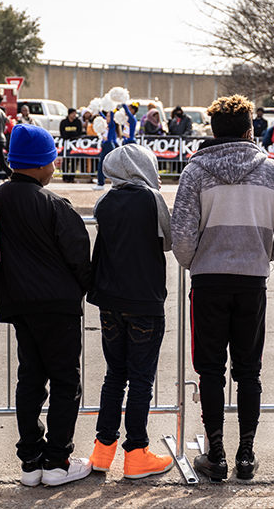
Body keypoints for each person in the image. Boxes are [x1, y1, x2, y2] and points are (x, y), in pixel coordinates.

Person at [171, 94, 274, 482]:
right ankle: (246, 454)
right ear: (251, 129)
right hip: (252, 280)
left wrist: (196, 260)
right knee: (249, 370)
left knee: (210, 369)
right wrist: (264, 253)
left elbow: (181, 235)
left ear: (214, 130)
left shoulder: (195, 172)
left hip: (208, 280)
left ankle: (216, 454)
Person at [0, 124, 92, 487]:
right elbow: (79, 256)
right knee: (65, 381)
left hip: (18, 304)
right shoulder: (53, 205)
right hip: (58, 305)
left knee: (30, 379)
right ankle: (57, 461)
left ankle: (30, 461)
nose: (54, 165)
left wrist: (2, 289)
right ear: (39, 163)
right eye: (51, 159)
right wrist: (82, 288)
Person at [87, 143, 174, 480]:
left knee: (114, 376)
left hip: (110, 302)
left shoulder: (104, 202)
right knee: (140, 380)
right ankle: (137, 452)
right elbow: (167, 240)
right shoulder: (150, 199)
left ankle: (102, 450)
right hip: (144, 301)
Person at [59, 108, 83, 183]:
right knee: (66, 161)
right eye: (73, 113)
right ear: (69, 114)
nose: (74, 115)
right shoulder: (64, 122)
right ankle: (65, 176)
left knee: (74, 161)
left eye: (75, 113)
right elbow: (62, 132)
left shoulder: (78, 122)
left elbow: (79, 133)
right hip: (66, 144)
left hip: (75, 145)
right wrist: (70, 135)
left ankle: (72, 177)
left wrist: (72, 136)